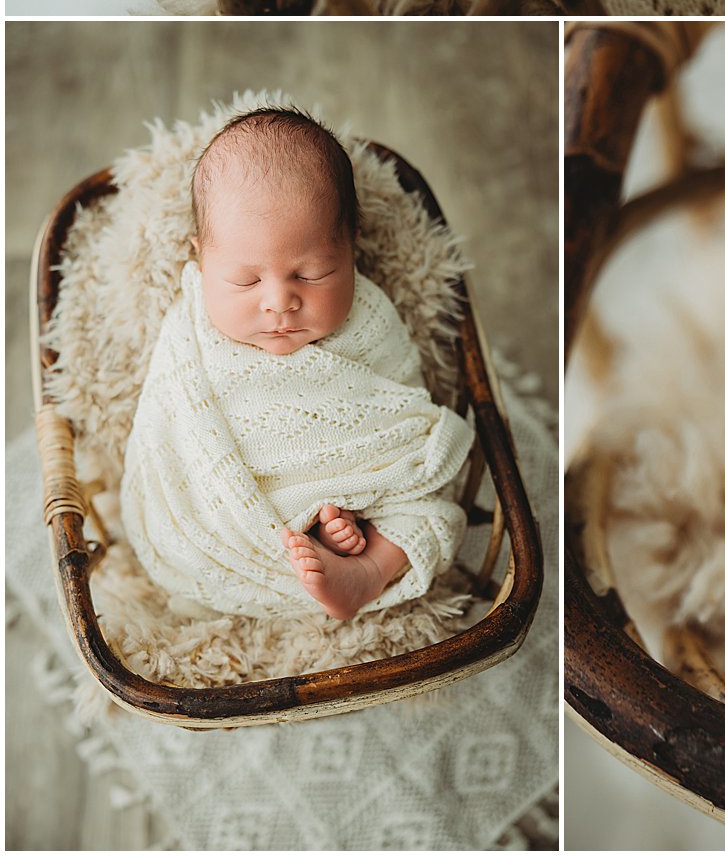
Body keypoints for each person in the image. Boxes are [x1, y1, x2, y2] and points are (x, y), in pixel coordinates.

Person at [121, 107, 473, 622]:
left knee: (432, 512)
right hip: (234, 521)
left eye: (311, 274)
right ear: (200, 261)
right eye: (245, 281)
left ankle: (366, 570)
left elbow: (406, 417)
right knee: (189, 515)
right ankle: (321, 551)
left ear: (351, 248)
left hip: (361, 495)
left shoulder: (370, 315)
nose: (279, 302)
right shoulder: (189, 327)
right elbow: (168, 428)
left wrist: (360, 496)